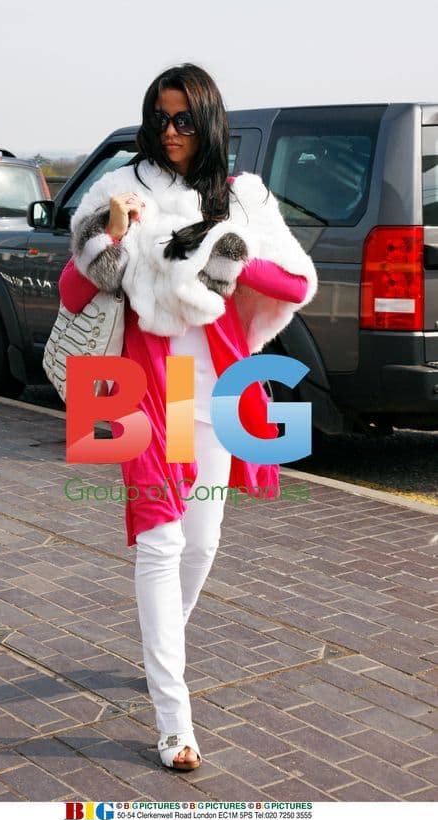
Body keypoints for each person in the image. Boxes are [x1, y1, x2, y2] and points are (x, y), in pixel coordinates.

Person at [59, 64, 317, 771]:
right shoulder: (124, 190)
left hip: (216, 391)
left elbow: (296, 282)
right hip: (138, 387)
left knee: (202, 543)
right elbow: (71, 287)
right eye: (159, 118)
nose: (170, 133)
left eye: (183, 120)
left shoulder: (241, 198)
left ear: (208, 122)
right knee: (161, 545)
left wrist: (224, 252)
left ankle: (158, 644)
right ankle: (174, 719)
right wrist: (109, 236)